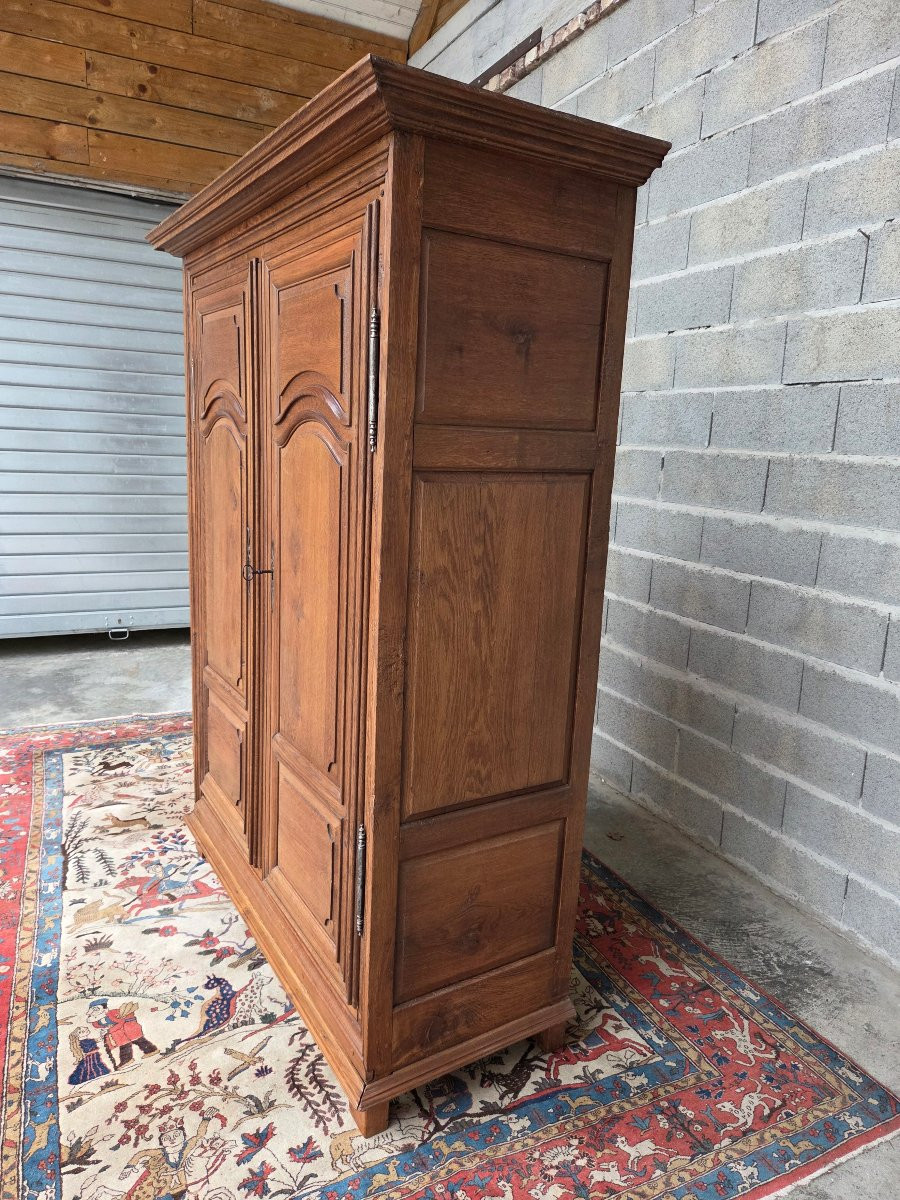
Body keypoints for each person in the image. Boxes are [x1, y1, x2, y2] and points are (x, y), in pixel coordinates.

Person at [89, 998, 158, 1068]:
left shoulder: (111, 1013)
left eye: (96, 1009)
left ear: (104, 1008)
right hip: (120, 1033)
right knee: (126, 1044)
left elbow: (121, 1022)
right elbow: (96, 1024)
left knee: (136, 1041)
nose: (94, 1011)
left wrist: (109, 1030)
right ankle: (129, 1059)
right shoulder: (98, 1018)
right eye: (93, 1009)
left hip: (129, 1028)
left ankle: (151, 1051)